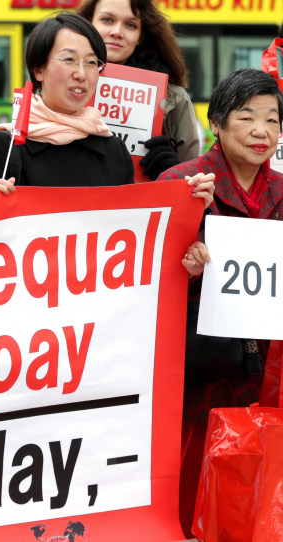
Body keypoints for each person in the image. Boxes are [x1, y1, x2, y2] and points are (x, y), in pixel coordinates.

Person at [157, 68, 283, 537]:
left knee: (254, 499)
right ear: (217, 123)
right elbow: (145, 278)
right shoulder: (183, 183)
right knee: (188, 501)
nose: (261, 131)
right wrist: (185, 264)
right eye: (247, 117)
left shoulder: (282, 193)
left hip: (268, 372)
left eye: (272, 121)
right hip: (197, 373)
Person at [0, 13, 135, 191]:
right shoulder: (4, 145)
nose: (81, 74)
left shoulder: (114, 150)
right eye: (69, 60)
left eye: (91, 62)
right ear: (38, 70)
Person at [76, 0, 201, 178]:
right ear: (88, 22)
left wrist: (173, 172)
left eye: (130, 25)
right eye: (107, 20)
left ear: (141, 36)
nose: (117, 32)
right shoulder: (58, 87)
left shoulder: (174, 99)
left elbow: (194, 183)